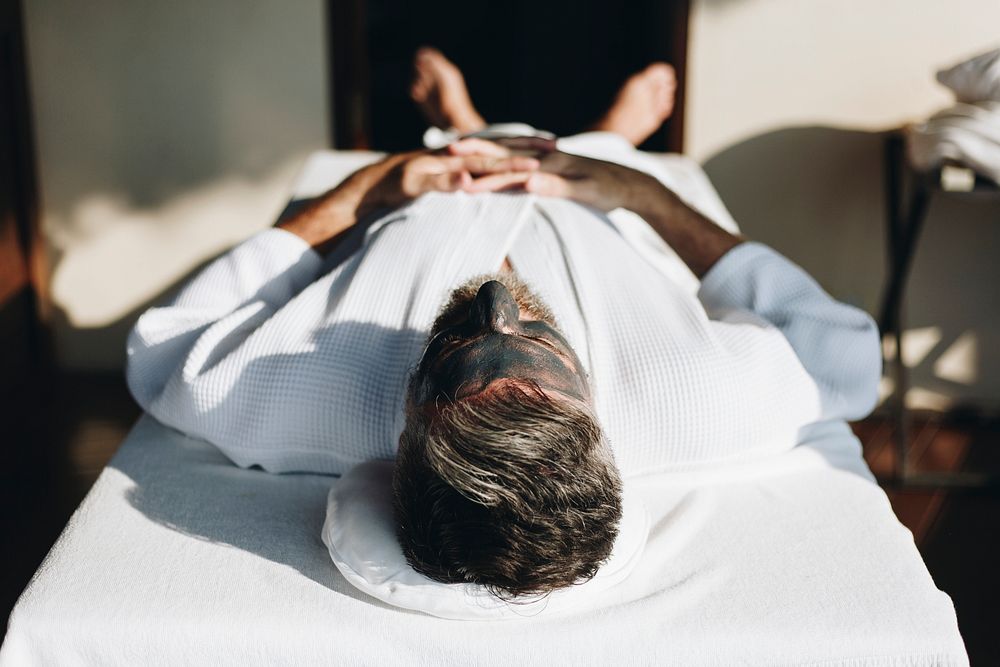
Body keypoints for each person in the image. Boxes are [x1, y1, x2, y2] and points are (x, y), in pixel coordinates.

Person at [126, 48, 880, 598]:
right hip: (591, 200)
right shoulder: (690, 403)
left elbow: (164, 340)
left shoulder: (298, 401)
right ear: (602, 431)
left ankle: (459, 125)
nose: (498, 302)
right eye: (537, 343)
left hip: (435, 195)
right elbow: (846, 353)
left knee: (457, 150)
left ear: (405, 435)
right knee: (586, 156)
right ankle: (611, 136)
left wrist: (362, 193)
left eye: (456, 347)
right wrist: (650, 196)